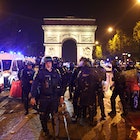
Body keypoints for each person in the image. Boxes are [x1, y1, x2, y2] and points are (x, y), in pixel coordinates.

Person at [30, 56, 64, 138]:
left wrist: (61, 96)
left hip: (54, 98)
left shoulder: (56, 72)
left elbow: (60, 84)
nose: (48, 64)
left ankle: (56, 135)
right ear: (44, 64)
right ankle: (45, 130)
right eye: (47, 63)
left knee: (55, 116)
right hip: (43, 98)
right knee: (43, 116)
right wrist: (33, 97)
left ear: (52, 63)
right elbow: (34, 85)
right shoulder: (40, 73)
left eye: (50, 62)